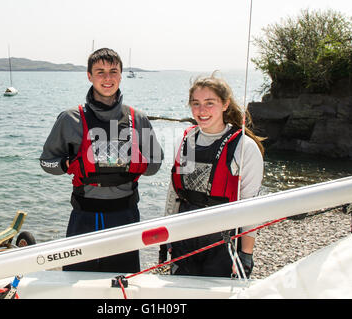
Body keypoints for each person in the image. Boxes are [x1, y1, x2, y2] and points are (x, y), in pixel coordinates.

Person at [40, 48, 164, 273]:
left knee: (123, 283)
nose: (107, 78)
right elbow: (46, 161)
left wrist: (141, 163)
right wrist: (66, 165)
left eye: (113, 71)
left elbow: (156, 163)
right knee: (76, 285)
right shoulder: (70, 119)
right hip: (84, 217)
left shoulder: (138, 118)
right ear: (89, 76)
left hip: (125, 216)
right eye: (100, 72)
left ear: (120, 75)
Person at [160, 74, 265, 278]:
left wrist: (246, 254)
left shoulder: (244, 147)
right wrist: (167, 240)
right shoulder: (187, 141)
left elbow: (251, 205)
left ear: (225, 104)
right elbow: (174, 193)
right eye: (196, 104)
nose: (202, 110)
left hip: (222, 241)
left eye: (210, 103)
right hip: (184, 236)